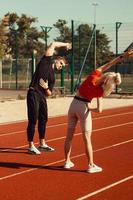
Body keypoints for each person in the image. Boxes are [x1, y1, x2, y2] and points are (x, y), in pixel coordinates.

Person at [64, 49, 133, 173]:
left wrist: (123, 56)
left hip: (73, 104)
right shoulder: (101, 91)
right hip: (84, 107)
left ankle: (67, 161)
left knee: (69, 137)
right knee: (87, 138)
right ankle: (90, 165)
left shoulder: (93, 76)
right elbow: (99, 110)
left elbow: (109, 64)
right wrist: (90, 108)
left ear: (105, 76)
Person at [27, 41, 71, 154]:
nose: (61, 67)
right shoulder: (45, 61)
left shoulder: (52, 77)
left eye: (62, 66)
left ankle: (42, 144)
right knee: (33, 119)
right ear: (56, 59)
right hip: (33, 93)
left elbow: (49, 93)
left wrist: (46, 88)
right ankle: (31, 145)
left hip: (42, 96)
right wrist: (65, 44)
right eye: (61, 63)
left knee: (43, 119)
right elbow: (53, 44)